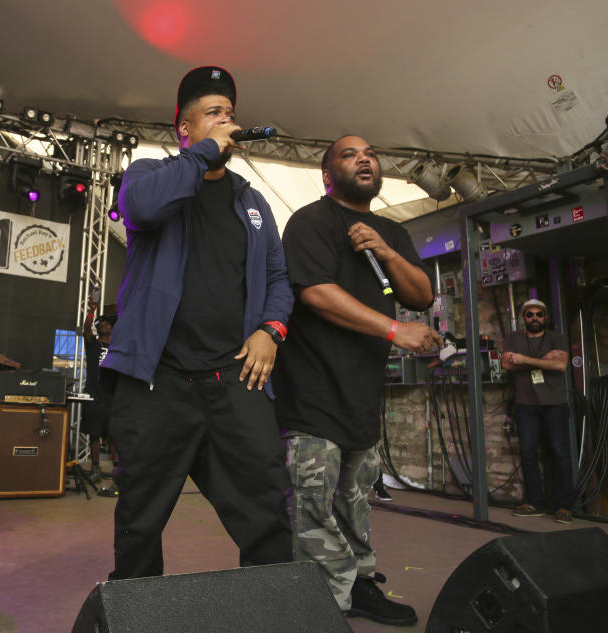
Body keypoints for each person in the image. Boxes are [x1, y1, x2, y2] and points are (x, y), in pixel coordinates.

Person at [100, 66, 294, 580]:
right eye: (213, 114)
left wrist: (271, 329)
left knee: (268, 512)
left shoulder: (252, 203)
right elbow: (140, 208)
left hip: (233, 379)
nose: (227, 121)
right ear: (183, 127)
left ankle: (270, 612)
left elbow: (278, 277)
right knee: (140, 521)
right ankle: (137, 613)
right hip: (157, 380)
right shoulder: (148, 175)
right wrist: (205, 151)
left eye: (230, 114)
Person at [272, 135, 441, 626]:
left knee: (355, 500)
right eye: (349, 154)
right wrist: (394, 329)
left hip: (362, 393)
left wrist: (386, 251)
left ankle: (359, 585)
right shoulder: (311, 221)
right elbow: (315, 294)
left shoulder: (389, 230)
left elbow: (422, 294)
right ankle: (319, 604)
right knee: (312, 503)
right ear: (327, 174)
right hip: (312, 390)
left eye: (369, 153)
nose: (363, 158)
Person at [501, 298, 573, 523]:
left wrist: (522, 360)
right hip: (526, 404)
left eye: (538, 314)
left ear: (545, 317)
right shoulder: (513, 338)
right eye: (529, 314)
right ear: (524, 317)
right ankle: (534, 503)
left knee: (560, 453)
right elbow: (506, 365)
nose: (534, 318)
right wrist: (542, 361)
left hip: (555, 404)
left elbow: (560, 365)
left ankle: (564, 506)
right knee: (528, 453)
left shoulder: (556, 338)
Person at [81, 298, 119, 484]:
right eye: (100, 323)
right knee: (94, 433)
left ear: (112, 328)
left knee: (114, 435)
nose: (103, 325)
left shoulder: (118, 347)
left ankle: (117, 472)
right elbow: (87, 329)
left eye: (106, 323)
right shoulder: (93, 344)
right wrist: (91, 311)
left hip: (112, 396)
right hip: (94, 394)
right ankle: (95, 468)